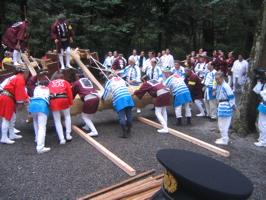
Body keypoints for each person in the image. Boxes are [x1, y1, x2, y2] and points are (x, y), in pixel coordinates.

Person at [0, 67, 29, 144]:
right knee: (6, 118)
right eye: (27, 73)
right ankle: (4, 137)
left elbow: (21, 92)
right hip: (7, 98)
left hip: (7, 96)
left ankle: (11, 134)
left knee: (12, 116)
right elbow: (19, 92)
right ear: (24, 73)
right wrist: (21, 102)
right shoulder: (20, 79)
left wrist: (26, 98)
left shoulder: (17, 77)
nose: (28, 76)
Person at [48, 73, 73, 144]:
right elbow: (69, 93)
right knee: (67, 116)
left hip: (53, 100)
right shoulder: (65, 82)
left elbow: (48, 93)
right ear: (63, 77)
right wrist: (70, 102)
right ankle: (68, 134)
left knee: (57, 120)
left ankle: (61, 139)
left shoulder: (50, 83)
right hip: (63, 99)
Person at [28, 78, 51, 153]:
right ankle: (40, 147)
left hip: (33, 104)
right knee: (42, 127)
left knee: (35, 122)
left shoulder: (36, 88)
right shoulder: (48, 88)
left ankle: (37, 138)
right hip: (42, 105)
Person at [215, 72, 236, 145]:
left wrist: (233, 105)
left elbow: (231, 96)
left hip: (226, 106)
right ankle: (224, 137)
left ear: (222, 78)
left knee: (224, 124)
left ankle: (225, 140)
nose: (217, 81)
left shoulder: (226, 86)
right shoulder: (220, 85)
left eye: (218, 79)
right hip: (221, 105)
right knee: (220, 124)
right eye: (216, 79)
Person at [253, 72, 266, 147]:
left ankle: (263, 141)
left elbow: (261, 93)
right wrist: (259, 82)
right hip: (263, 104)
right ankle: (262, 138)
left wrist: (262, 92)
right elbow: (256, 91)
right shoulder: (263, 83)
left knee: (263, 123)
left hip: (265, 104)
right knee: (261, 122)